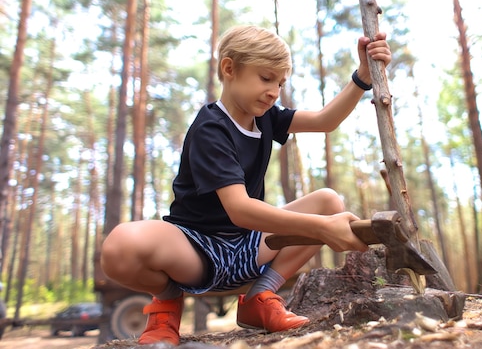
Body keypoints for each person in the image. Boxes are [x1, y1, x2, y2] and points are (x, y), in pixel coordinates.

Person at [100, 24, 392, 345]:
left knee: (328, 200)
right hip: (194, 251)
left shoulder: (267, 118)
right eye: (266, 78)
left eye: (280, 83)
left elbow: (325, 121)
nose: (274, 91)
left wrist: (362, 76)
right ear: (229, 69)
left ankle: (260, 297)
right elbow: (239, 209)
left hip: (249, 248)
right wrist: (322, 228)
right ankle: (167, 303)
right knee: (120, 246)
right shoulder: (211, 127)